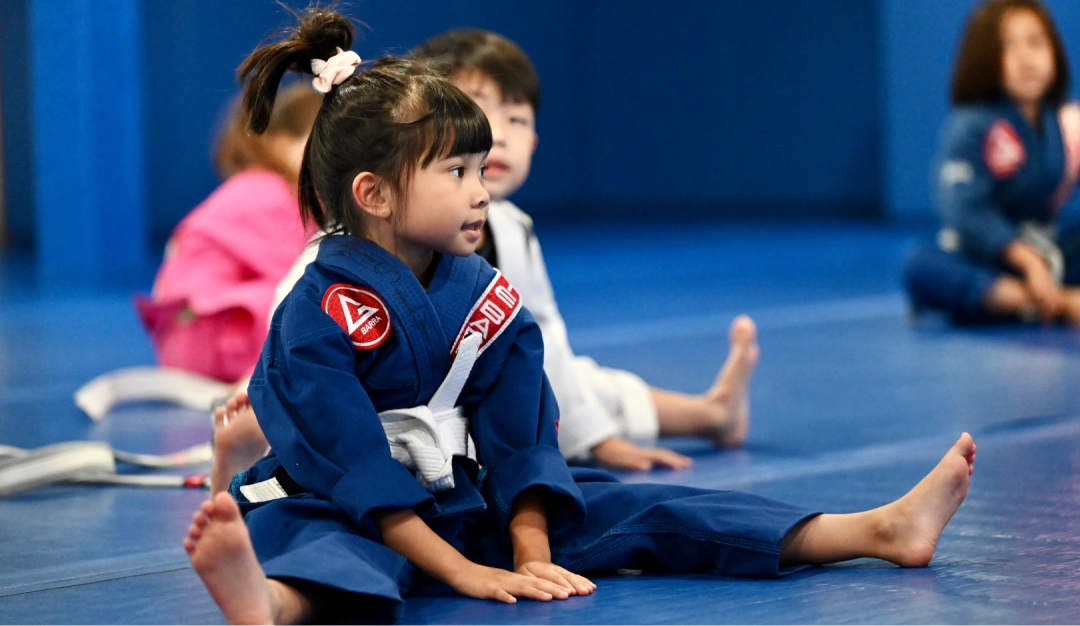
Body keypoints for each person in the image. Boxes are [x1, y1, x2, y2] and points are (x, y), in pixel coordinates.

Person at [184, 10, 977, 624]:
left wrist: (528, 544)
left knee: (636, 504)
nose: (480, 188)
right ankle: (270, 607)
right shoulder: (314, 314)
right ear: (375, 194)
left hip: (458, 498)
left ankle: (870, 531)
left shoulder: (485, 294)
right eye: (455, 170)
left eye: (479, 166)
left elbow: (523, 437)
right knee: (326, 549)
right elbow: (355, 468)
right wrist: (465, 572)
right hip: (348, 503)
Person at [211, 29, 757, 479]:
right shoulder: (352, 245)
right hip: (381, 419)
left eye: (516, 121)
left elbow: (545, 343)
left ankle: (712, 415)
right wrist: (259, 402)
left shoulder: (512, 229)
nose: (495, 135)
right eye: (475, 116)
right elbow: (294, 330)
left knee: (582, 383)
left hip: (470, 404)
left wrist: (597, 440)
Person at [903, 0, 1080, 325]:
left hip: (1047, 250)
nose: (1026, 58)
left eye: (1036, 42)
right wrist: (1024, 259)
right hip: (987, 257)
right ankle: (1048, 302)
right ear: (985, 60)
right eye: (1008, 47)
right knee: (921, 266)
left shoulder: (1058, 122)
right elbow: (963, 209)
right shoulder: (972, 124)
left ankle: (1034, 298)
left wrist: (1039, 258)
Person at [135, 84, 321, 383]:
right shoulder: (269, 191)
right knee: (316, 303)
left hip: (189, 336)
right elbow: (304, 274)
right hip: (206, 335)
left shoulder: (262, 187)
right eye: (326, 142)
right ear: (284, 143)